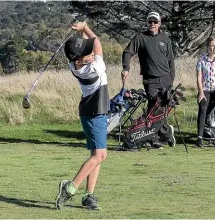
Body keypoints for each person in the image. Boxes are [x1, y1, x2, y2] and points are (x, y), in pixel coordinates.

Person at [55, 21, 109, 210]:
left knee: (96, 154)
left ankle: (89, 196)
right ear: (79, 59)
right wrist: (85, 27)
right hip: (94, 114)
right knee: (101, 155)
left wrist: (81, 31)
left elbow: (90, 45)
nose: (92, 53)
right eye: (88, 53)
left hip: (95, 112)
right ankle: (69, 188)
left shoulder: (76, 64)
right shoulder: (93, 68)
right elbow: (97, 43)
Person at [121, 11, 176, 149]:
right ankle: (164, 135)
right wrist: (126, 68)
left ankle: (159, 136)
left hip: (165, 78)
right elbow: (127, 52)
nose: (152, 24)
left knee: (163, 109)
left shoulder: (165, 39)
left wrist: (171, 78)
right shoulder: (140, 37)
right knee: (154, 108)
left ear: (159, 23)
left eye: (155, 22)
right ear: (147, 23)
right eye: (150, 22)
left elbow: (171, 61)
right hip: (150, 80)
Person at [195, 36, 215, 148]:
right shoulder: (201, 60)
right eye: (212, 46)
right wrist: (201, 92)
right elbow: (199, 77)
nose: (214, 48)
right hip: (205, 89)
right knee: (203, 107)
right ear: (208, 46)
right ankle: (199, 137)